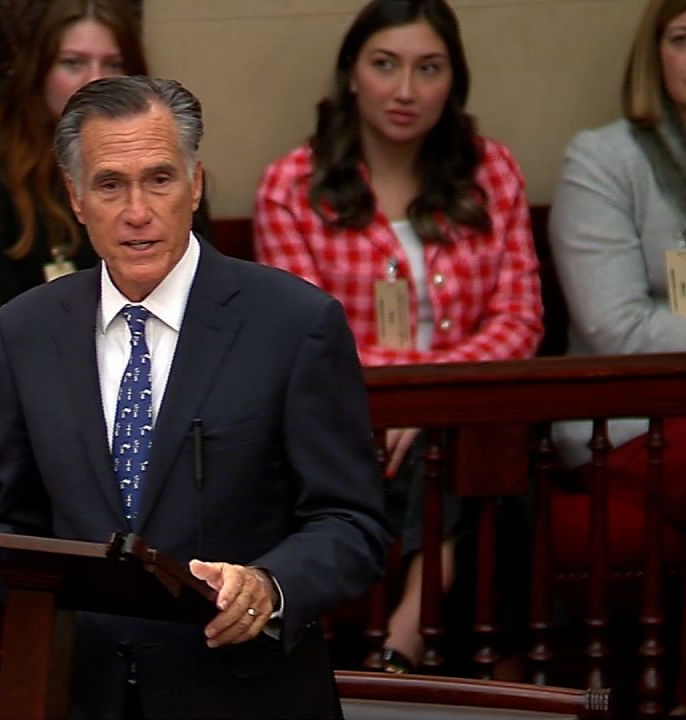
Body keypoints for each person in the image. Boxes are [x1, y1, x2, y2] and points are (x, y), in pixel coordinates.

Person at [0, 76, 391, 719]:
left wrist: (271, 586)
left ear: (197, 184)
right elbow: (23, 520)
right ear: (75, 197)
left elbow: (353, 524)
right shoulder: (26, 329)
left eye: (159, 179)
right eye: (110, 184)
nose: (138, 211)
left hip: (241, 693)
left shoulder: (294, 323)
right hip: (81, 693)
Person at [253, 0, 543, 675]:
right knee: (476, 449)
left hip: (467, 418)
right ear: (352, 75)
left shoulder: (490, 170)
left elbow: (519, 321)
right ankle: (497, 669)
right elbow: (305, 336)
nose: (406, 90)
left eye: (428, 68)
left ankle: (401, 650)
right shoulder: (291, 186)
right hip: (346, 421)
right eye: (385, 65)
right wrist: (409, 397)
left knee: (472, 438)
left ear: (454, 81)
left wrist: (433, 401)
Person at [549, 0, 686, 712]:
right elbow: (618, 325)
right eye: (683, 37)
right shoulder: (606, 159)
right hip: (633, 419)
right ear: (654, 53)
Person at [0, 0, 212, 381]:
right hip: (50, 400)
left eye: (113, 64)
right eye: (73, 63)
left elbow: (207, 310)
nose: (96, 80)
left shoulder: (173, 185)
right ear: (39, 75)